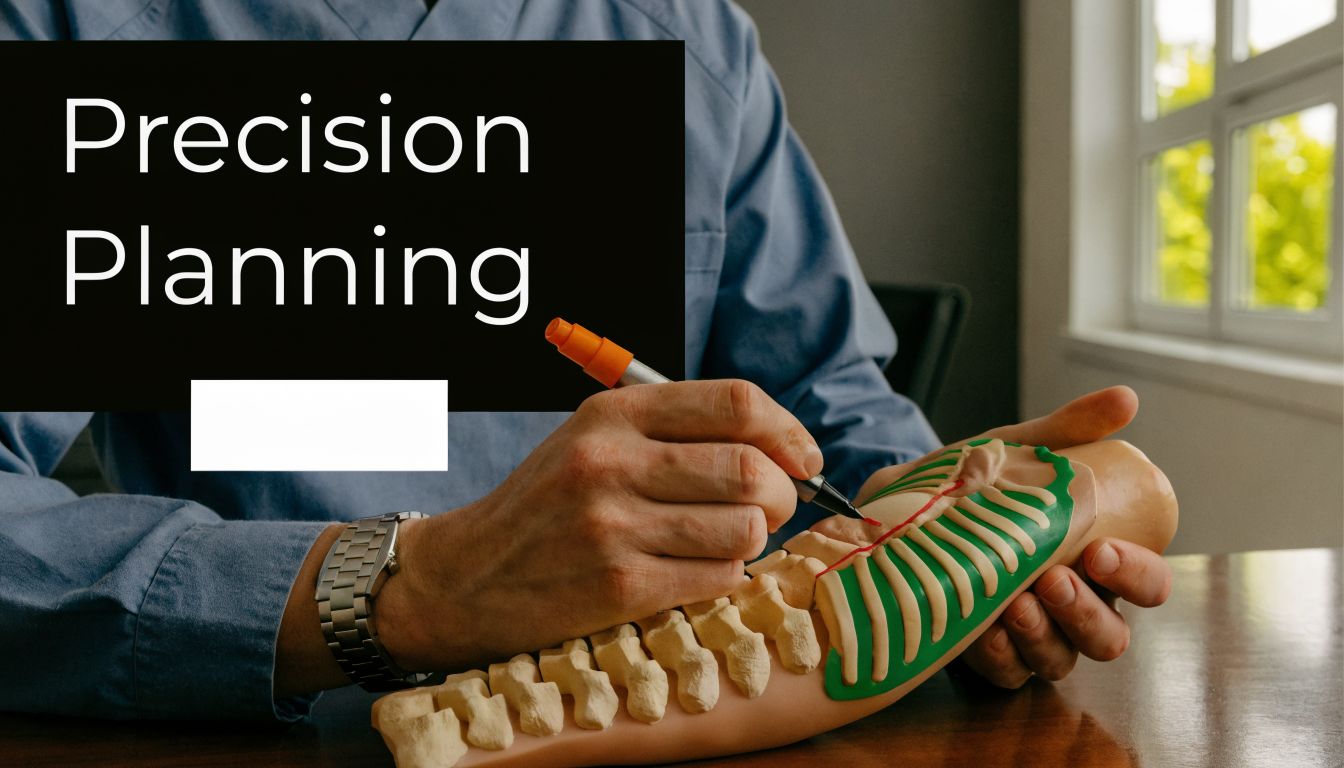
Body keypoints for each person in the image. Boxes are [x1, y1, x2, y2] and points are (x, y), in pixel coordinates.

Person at [0, 0, 1172, 722]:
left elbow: (840, 401)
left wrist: (940, 539)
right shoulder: (71, 23)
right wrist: (410, 585)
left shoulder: (689, 37)